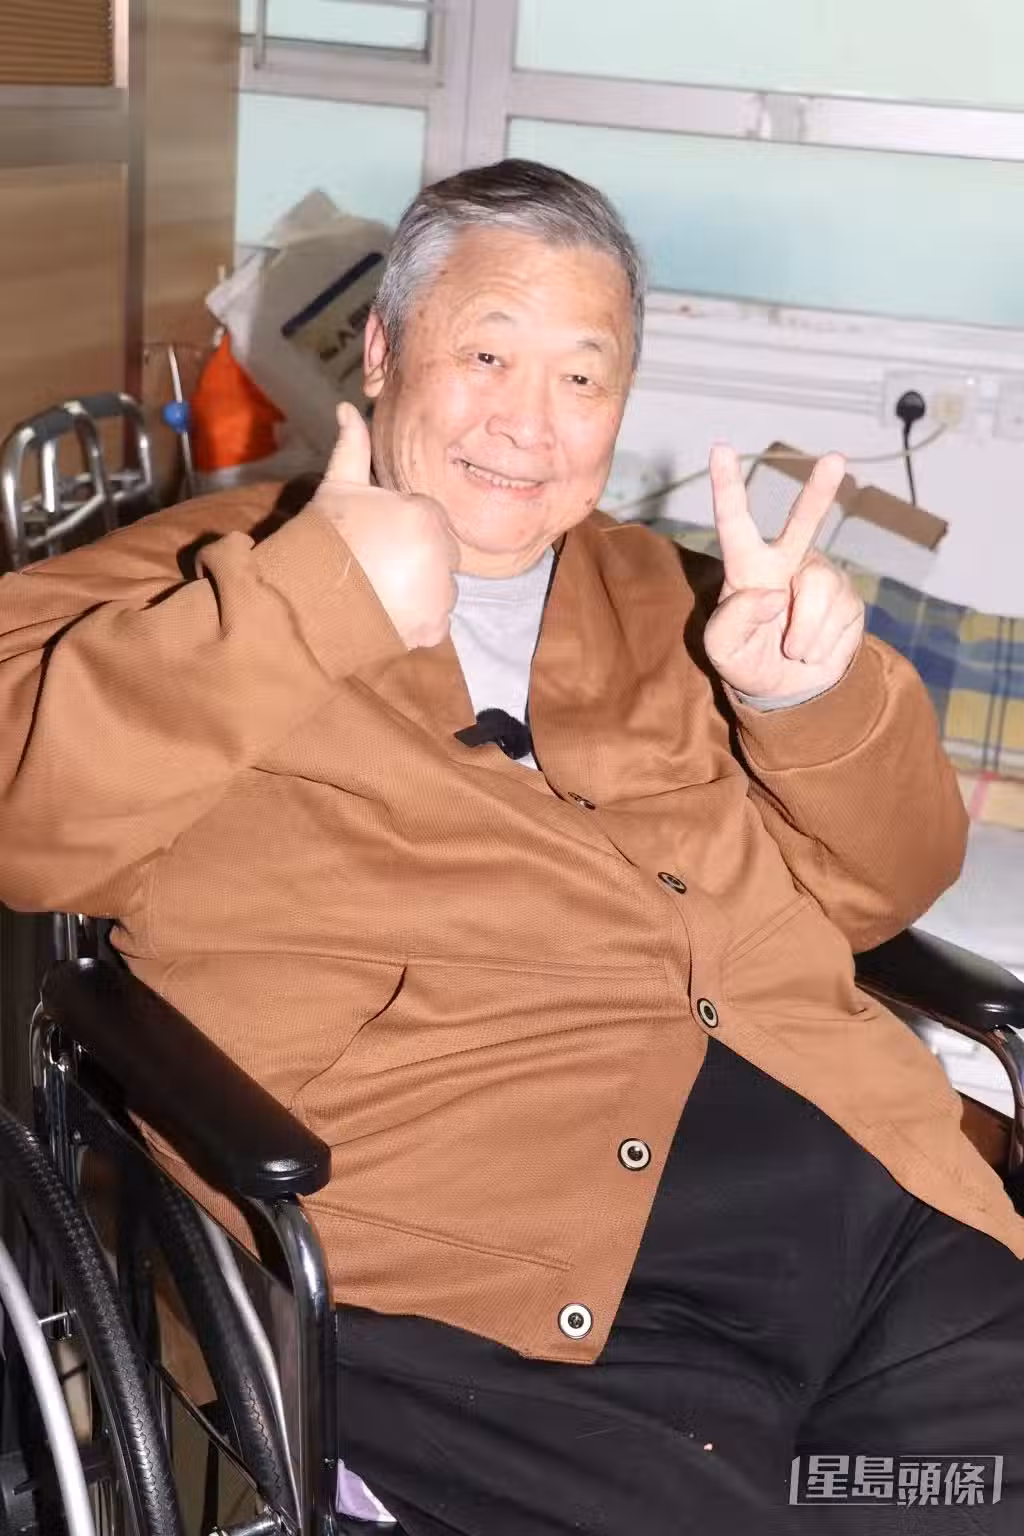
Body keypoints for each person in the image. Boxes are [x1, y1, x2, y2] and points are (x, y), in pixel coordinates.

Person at [0, 159, 1021, 1534]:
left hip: (871, 1211)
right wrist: (316, 598)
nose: (528, 423)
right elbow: (21, 804)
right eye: (486, 354)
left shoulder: (677, 595)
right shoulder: (196, 572)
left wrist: (808, 698)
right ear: (382, 352)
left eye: (582, 378)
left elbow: (892, 881)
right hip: (508, 1302)